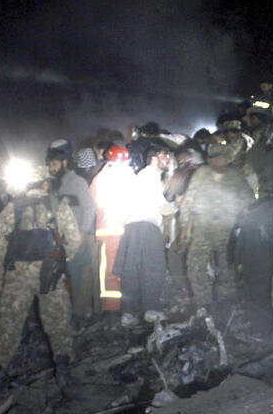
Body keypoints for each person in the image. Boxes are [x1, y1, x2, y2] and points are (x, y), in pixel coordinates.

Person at [0, 170, 81, 392]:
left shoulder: (12, 208)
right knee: (58, 323)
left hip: (17, 275)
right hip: (50, 274)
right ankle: (63, 369)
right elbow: (74, 239)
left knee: (9, 325)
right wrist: (62, 258)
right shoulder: (58, 206)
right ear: (45, 184)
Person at [177, 139, 254, 314]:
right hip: (202, 230)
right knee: (195, 267)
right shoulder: (201, 174)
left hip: (226, 231)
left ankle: (226, 303)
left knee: (226, 269)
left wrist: (245, 222)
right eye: (214, 157)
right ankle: (203, 304)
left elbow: (249, 201)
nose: (218, 161)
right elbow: (188, 200)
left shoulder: (235, 177)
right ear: (209, 159)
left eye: (222, 157)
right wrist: (184, 226)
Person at [113, 145, 170, 326]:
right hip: (147, 225)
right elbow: (162, 207)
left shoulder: (142, 176)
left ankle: (128, 313)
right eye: (164, 155)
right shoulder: (150, 176)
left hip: (132, 227)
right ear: (154, 157)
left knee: (132, 269)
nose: (168, 159)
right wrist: (179, 203)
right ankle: (151, 310)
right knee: (153, 267)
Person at [48, 147, 98, 326]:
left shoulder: (77, 182)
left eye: (54, 164)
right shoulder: (55, 185)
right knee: (64, 277)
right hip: (60, 241)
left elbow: (89, 208)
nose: (51, 168)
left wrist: (83, 233)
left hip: (77, 238)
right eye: (49, 165)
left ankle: (81, 315)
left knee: (80, 276)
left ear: (63, 163)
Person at [89, 145, 136, 315]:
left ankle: (110, 311)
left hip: (108, 232)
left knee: (108, 272)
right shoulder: (131, 176)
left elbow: (95, 203)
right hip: (128, 231)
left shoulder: (101, 178)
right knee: (128, 269)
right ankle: (129, 310)